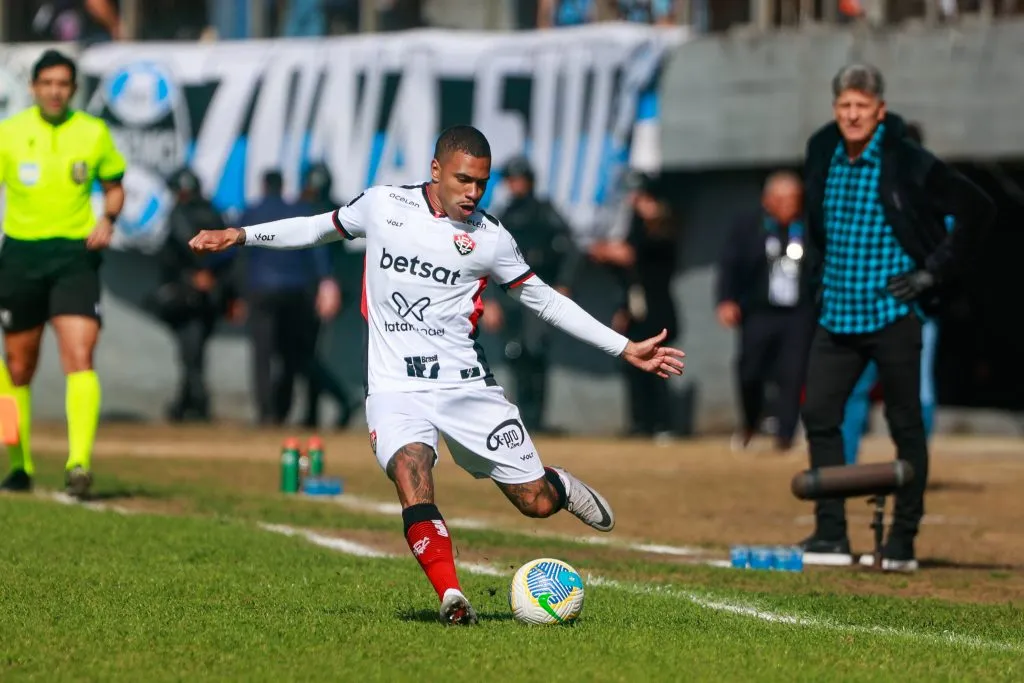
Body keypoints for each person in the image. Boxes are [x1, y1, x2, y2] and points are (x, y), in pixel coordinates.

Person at [189, 125, 685, 624]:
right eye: (463, 180)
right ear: (435, 171)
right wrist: (242, 235)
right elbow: (319, 226)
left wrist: (624, 347)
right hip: (395, 387)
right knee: (411, 469)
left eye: (482, 184)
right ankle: (451, 596)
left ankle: (557, 483)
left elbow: (546, 300)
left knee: (534, 503)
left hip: (466, 387)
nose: (472, 193)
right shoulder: (383, 206)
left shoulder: (491, 238)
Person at [798, 64, 994, 571]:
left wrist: (933, 274)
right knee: (819, 413)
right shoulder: (821, 149)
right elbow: (815, 221)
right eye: (844, 105)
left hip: (893, 313)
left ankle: (903, 540)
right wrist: (817, 280)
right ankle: (830, 536)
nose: (853, 114)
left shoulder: (908, 160)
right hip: (837, 310)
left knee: (905, 424)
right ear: (835, 108)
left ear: (880, 110)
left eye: (862, 106)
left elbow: (978, 209)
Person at [0, 49, 126, 497]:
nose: (55, 91)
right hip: (20, 257)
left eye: (63, 84)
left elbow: (114, 188)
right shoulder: (9, 134)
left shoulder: (93, 133)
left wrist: (108, 220)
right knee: (17, 367)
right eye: (47, 82)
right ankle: (19, 465)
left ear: (73, 89)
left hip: (75, 256)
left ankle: (79, 464)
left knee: (80, 355)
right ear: (33, 87)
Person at [840, 123, 946, 465]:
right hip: (870, 308)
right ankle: (847, 464)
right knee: (861, 387)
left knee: (911, 391)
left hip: (906, 311)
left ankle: (909, 467)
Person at [716, 171, 816, 452]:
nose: (788, 205)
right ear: (768, 201)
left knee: (793, 372)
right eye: (782, 199)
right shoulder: (748, 226)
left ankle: (785, 434)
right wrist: (726, 300)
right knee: (749, 370)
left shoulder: (809, 227)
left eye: (794, 199)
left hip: (799, 313)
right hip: (758, 311)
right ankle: (750, 420)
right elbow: (729, 265)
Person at [238, 170, 341, 426]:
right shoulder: (297, 210)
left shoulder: (252, 211)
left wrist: (237, 294)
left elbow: (239, 257)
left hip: (261, 290)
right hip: (296, 292)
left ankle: (266, 413)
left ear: (263, 186)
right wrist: (325, 282)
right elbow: (316, 249)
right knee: (290, 355)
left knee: (262, 355)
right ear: (283, 185)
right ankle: (282, 408)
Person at [487, 155, 580, 434]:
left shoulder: (544, 212)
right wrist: (490, 300)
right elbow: (488, 260)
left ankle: (536, 419)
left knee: (536, 351)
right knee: (515, 354)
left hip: (539, 293)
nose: (514, 185)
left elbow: (570, 251)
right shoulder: (502, 215)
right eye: (510, 180)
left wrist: (563, 283)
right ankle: (523, 419)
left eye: (519, 179)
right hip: (508, 296)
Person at [590, 172, 680, 440]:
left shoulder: (662, 225)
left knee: (658, 368)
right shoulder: (634, 223)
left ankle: (663, 424)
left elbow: (633, 253)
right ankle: (640, 424)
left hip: (658, 309)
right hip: (635, 309)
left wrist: (608, 250)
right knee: (633, 368)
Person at [149, 167, 237, 422]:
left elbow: (178, 250)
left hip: (189, 295)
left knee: (191, 353)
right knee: (193, 351)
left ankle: (198, 404)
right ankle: (185, 403)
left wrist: (197, 276)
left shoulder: (180, 214)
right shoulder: (215, 214)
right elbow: (228, 253)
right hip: (210, 295)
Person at [297, 163, 354, 429]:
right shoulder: (334, 208)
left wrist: (329, 285)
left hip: (320, 289)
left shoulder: (326, 210)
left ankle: (340, 401)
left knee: (309, 355)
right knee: (308, 354)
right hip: (316, 287)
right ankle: (312, 412)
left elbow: (327, 254)